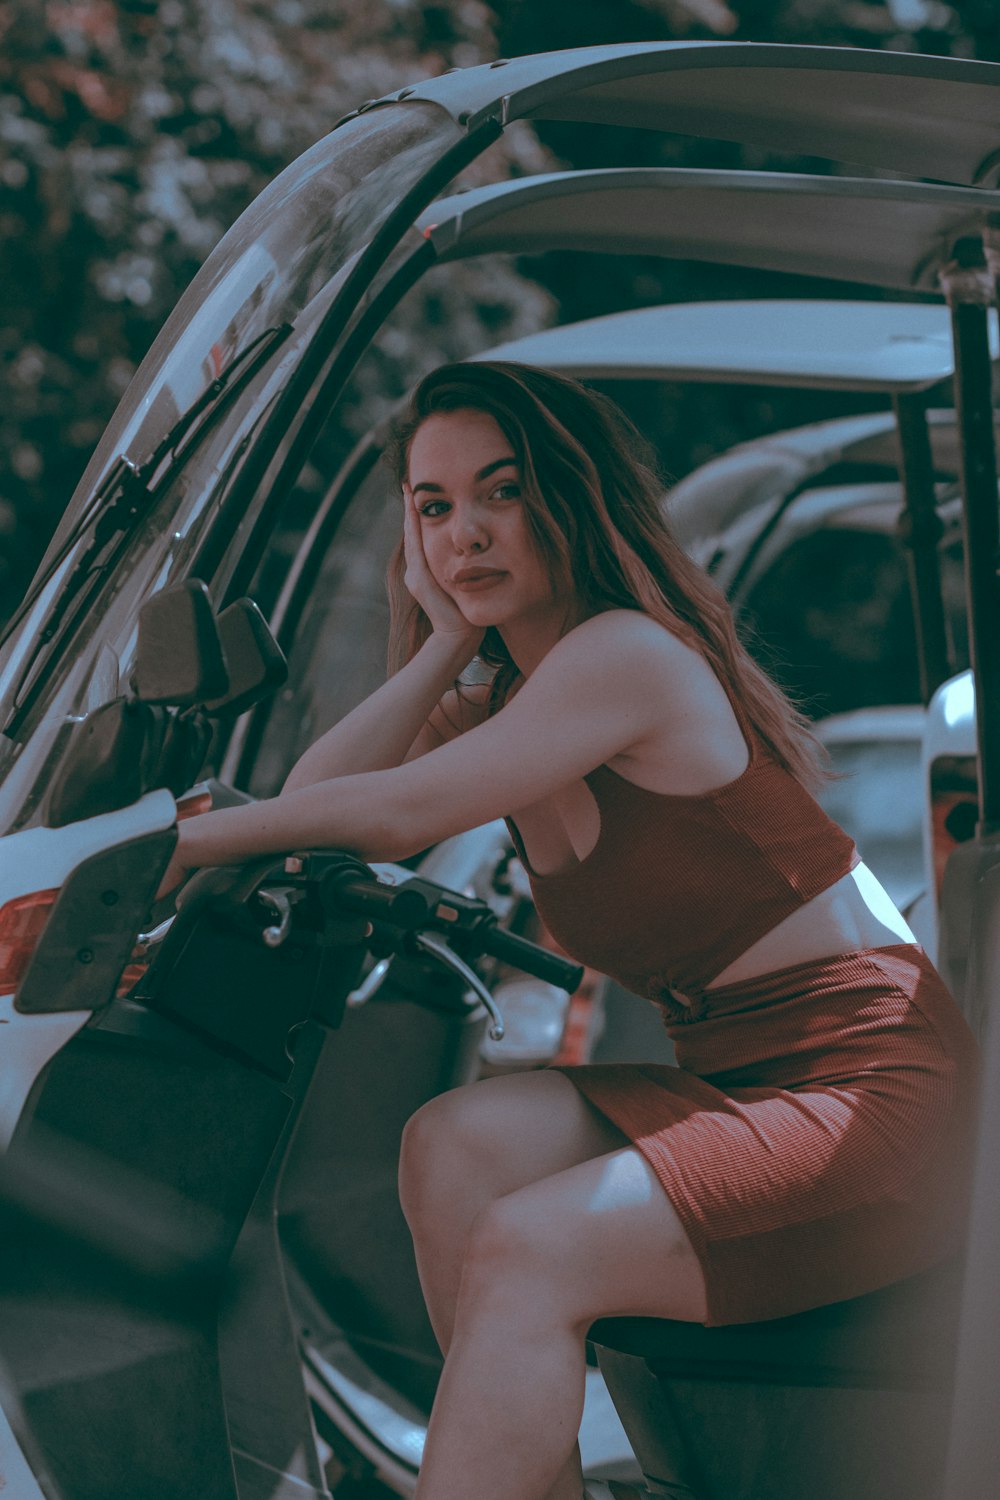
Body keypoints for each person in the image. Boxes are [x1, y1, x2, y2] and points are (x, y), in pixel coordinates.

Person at [157, 362, 980, 1500]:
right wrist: (442, 639)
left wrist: (165, 844)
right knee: (451, 1148)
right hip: (742, 1080)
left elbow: (394, 813)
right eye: (433, 507)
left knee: (531, 1246)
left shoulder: (622, 656)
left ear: (569, 499)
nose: (465, 534)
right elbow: (321, 793)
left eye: (500, 492)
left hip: (870, 1096)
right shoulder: (507, 689)